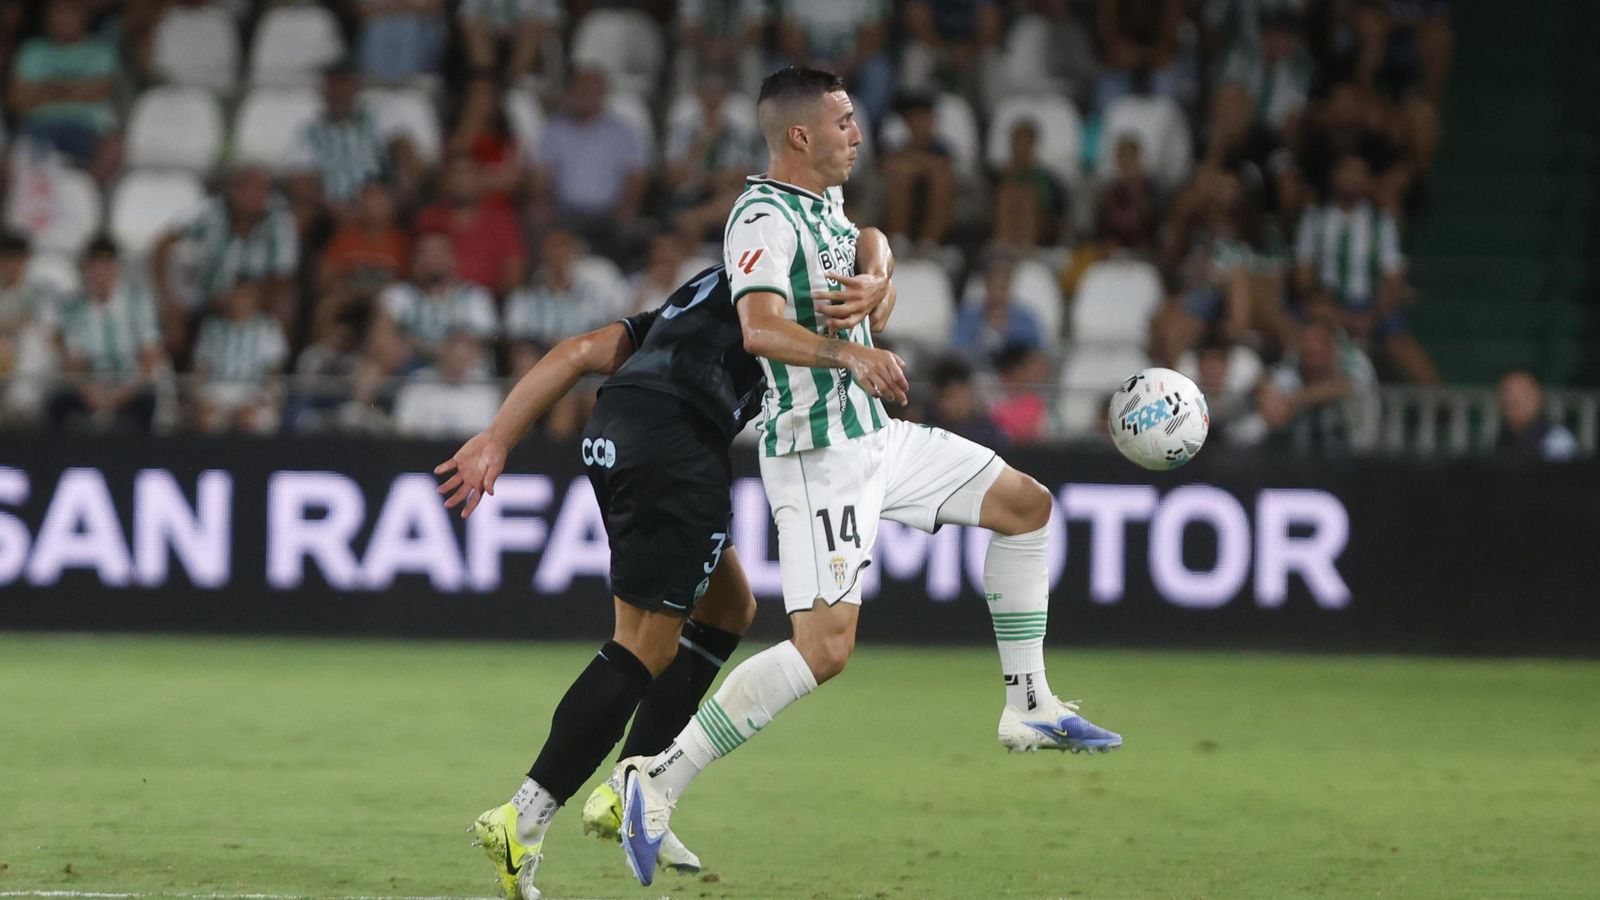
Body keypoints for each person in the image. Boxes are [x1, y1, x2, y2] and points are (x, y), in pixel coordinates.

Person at [618, 67, 1121, 887]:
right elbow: (758, 329)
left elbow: (866, 239)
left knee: (1028, 508)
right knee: (823, 650)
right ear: (801, 137)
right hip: (817, 455)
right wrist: (852, 348)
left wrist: (879, 269)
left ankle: (1028, 703)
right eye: (845, 121)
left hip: (873, 436)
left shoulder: (822, 206)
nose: (860, 132)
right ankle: (655, 780)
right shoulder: (760, 215)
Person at [433, 230, 894, 899]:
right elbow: (870, 260)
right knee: (642, 646)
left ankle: (635, 787)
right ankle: (522, 819)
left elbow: (577, 352)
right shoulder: (791, 289)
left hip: (619, 427)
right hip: (678, 439)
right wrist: (874, 282)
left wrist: (498, 438)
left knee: (729, 608)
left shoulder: (705, 295)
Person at [48, 236, 166, 432]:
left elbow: (150, 354)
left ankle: (145, 458)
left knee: (148, 400)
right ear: (86, 267)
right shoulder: (73, 306)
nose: (101, 271)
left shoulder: (137, 301)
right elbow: (74, 362)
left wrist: (121, 394)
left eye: (107, 263)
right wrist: (91, 392)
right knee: (57, 403)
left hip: (130, 383)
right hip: (91, 386)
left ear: (117, 267)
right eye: (95, 264)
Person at [7, 0, 121, 181]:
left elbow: (97, 92)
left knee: (115, 148)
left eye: (71, 12)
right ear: (47, 17)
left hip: (89, 128)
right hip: (38, 128)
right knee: (16, 153)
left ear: (84, 16)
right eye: (58, 13)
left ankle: (87, 197)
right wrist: (77, 89)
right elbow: (18, 100)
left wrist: (44, 90)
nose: (64, 19)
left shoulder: (101, 51)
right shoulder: (32, 50)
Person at [191, 279, 289, 434]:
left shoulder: (267, 327)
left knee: (250, 418)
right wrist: (198, 397)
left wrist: (267, 398)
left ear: (255, 301)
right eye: (237, 297)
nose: (240, 302)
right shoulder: (212, 327)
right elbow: (201, 368)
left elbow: (274, 370)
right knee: (207, 419)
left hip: (253, 388)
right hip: (219, 388)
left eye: (246, 297)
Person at [392, 330, 501, 438]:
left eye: (466, 350)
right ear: (442, 349)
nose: (458, 355)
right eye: (453, 348)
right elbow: (402, 429)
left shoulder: (486, 390)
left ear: (474, 354)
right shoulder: (418, 383)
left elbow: (490, 437)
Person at [1494, 371, 1580, 462]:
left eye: (1518, 400)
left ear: (1537, 399)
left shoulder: (1558, 441)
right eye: (1507, 402)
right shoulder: (1503, 440)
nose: (1510, 401)